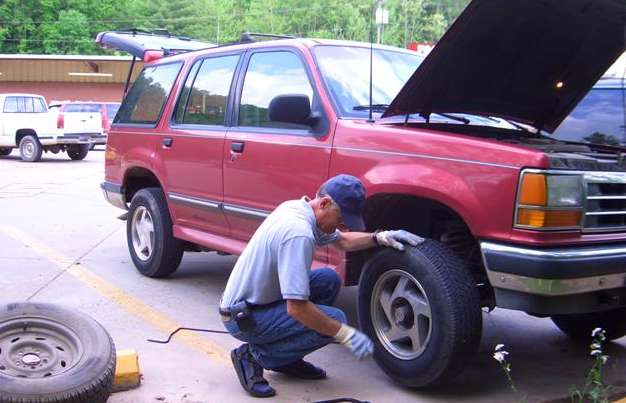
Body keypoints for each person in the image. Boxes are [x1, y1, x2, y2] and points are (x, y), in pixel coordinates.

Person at [220, 174, 423, 397]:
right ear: (325, 203)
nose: (343, 226)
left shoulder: (298, 207)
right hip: (244, 317)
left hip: (260, 301)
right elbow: (296, 308)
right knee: (335, 322)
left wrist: (380, 237)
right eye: (341, 218)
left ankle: (286, 358)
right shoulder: (298, 233)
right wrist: (345, 334)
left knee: (329, 280)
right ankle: (252, 356)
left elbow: (343, 241)